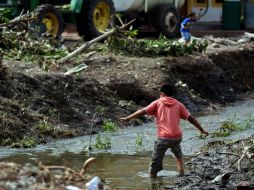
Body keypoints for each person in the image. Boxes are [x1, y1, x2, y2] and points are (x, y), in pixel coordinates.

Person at [119, 84, 209, 178]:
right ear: (172, 95)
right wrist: (201, 130)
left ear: (162, 94)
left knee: (155, 163)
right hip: (177, 137)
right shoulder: (179, 104)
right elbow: (190, 118)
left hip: (163, 138)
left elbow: (143, 111)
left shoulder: (157, 102)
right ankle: (181, 171)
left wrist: (128, 118)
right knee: (177, 151)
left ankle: (153, 178)